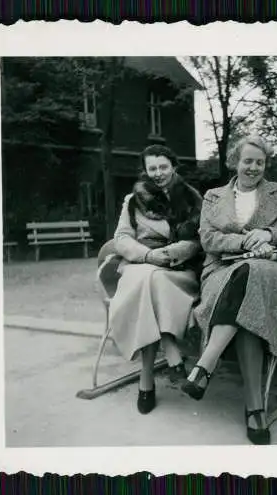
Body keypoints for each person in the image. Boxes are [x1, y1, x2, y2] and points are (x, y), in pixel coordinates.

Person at [181, 135, 277, 445]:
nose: (253, 167)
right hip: (222, 272)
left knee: (252, 274)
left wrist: (268, 233)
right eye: (247, 161)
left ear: (266, 165)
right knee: (248, 298)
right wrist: (245, 242)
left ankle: (205, 365)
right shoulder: (213, 197)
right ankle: (255, 409)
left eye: (259, 162)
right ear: (235, 163)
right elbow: (208, 240)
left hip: (274, 272)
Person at [103, 144, 202, 415]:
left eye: (163, 167)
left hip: (177, 270)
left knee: (152, 283)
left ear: (173, 166)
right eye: (152, 168)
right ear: (145, 171)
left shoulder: (192, 198)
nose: (158, 173)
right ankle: (171, 351)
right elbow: (121, 238)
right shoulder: (134, 200)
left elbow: (199, 240)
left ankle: (146, 381)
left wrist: (171, 252)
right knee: (147, 278)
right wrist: (148, 256)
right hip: (140, 264)